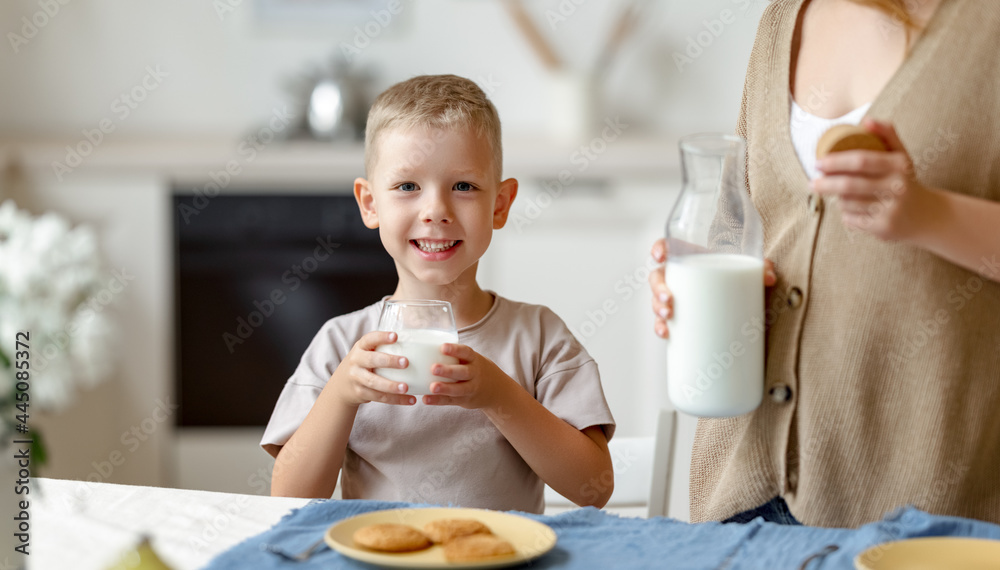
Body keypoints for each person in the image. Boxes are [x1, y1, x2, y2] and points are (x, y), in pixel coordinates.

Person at [650, 0, 1000, 528]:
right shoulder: (781, 22)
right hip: (745, 494)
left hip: (924, 506)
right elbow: (740, 225)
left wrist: (929, 214)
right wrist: (695, 275)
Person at [261, 74, 615, 513]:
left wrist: (498, 395)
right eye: (408, 186)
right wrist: (341, 394)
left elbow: (593, 489)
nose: (436, 212)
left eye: (463, 186)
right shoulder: (341, 344)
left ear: (500, 205)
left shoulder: (539, 336)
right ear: (370, 204)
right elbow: (286, 499)